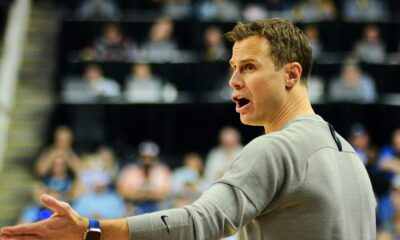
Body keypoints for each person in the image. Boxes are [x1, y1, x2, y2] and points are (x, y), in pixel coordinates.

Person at [0, 18, 376, 240]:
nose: (233, 80)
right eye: (232, 68)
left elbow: (199, 223)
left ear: (291, 74)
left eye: (248, 67)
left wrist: (91, 229)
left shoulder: (277, 149)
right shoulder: (351, 158)